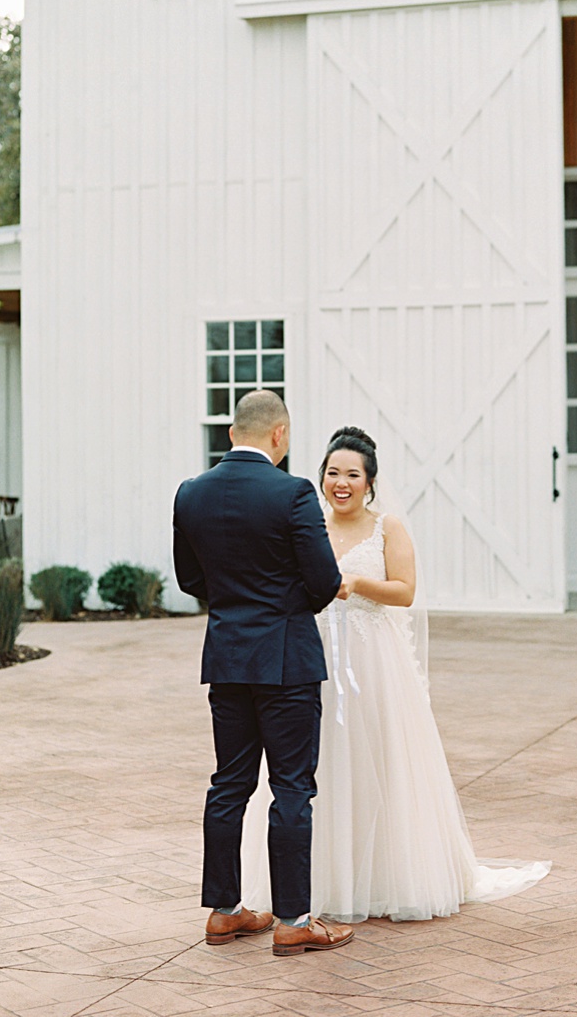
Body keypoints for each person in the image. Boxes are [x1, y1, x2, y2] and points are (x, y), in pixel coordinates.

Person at [241, 425, 551, 922]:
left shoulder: (388, 527)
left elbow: (405, 591)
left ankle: (387, 876)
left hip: (373, 661)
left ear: (370, 482)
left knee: (378, 759)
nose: (341, 483)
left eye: (352, 475)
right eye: (333, 473)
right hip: (314, 655)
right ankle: (318, 880)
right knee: (312, 762)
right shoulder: (308, 522)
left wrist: (356, 582)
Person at [172, 390, 355, 957]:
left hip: (226, 658)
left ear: (232, 434)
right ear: (280, 435)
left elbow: (189, 580)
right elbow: (324, 582)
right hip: (286, 661)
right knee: (292, 787)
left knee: (229, 783)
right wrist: (280, 605)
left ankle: (224, 912)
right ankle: (294, 920)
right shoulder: (292, 492)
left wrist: (235, 604)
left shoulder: (191, 492)